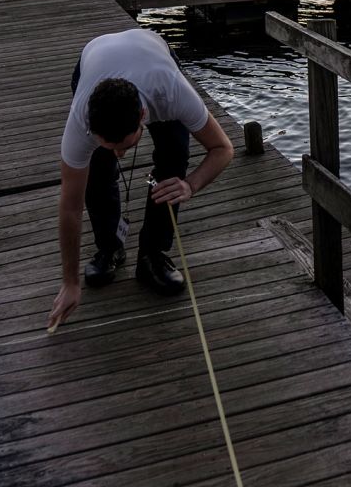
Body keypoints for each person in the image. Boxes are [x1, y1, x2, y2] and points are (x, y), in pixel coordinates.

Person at [47, 28, 234, 330]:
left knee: (174, 159)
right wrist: (69, 283)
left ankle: (152, 255)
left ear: (144, 116)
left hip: (154, 56)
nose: (120, 151)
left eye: (125, 144)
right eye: (110, 144)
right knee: (96, 169)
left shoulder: (171, 92)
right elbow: (70, 206)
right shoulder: (81, 119)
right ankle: (109, 247)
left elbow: (223, 148)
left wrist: (191, 184)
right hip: (93, 59)